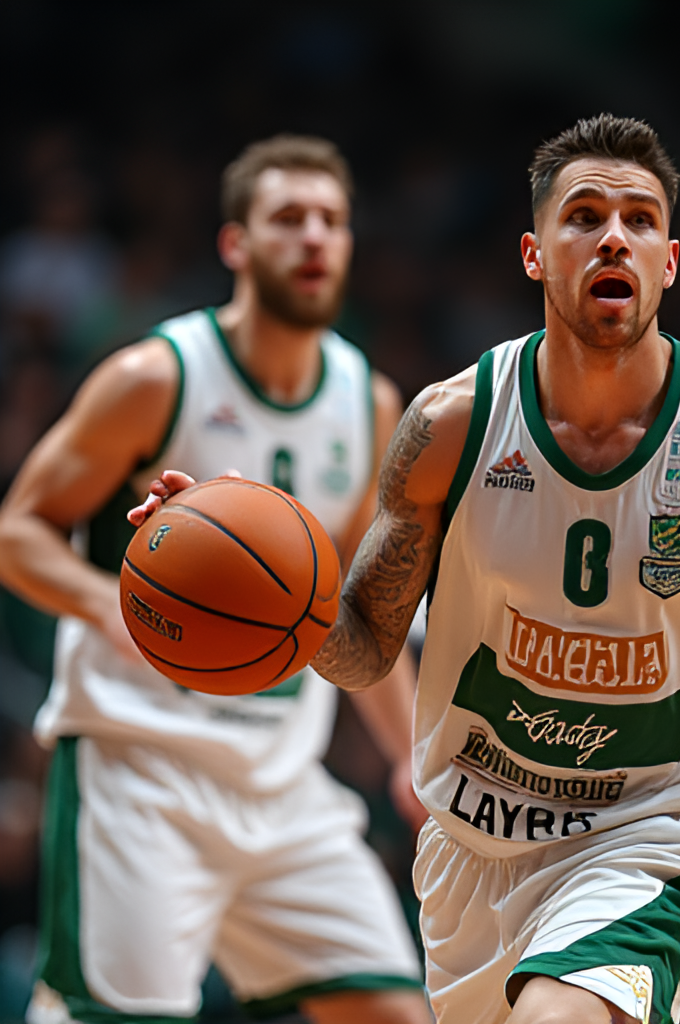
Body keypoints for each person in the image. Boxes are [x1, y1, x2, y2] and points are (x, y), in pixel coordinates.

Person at [139, 116, 680, 1024]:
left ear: (670, 260)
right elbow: (365, 649)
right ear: (535, 255)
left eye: (640, 219)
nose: (614, 234)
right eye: (584, 216)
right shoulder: (449, 427)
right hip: (472, 844)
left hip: (650, 833)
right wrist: (268, 598)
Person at [0, 135, 430, 1024]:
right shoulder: (155, 377)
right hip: (142, 766)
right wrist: (106, 602)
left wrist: (410, 759)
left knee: (395, 1013)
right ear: (236, 244)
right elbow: (16, 530)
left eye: (332, 222)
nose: (313, 238)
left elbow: (353, 616)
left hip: (284, 782)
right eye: (288, 219)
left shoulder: (370, 400)